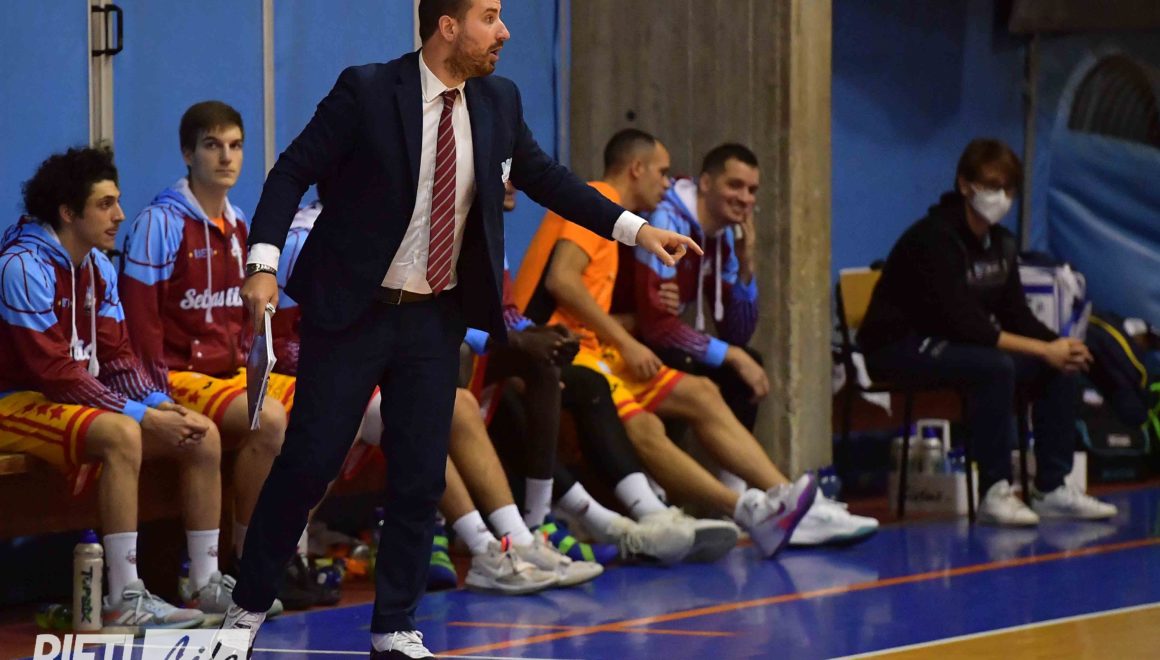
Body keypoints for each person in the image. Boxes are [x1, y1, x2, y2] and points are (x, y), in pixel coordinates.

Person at [224, 2, 700, 657]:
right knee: (307, 465)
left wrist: (638, 230)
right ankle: (246, 609)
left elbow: (550, 181)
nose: (504, 31)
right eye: (489, 16)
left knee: (420, 477)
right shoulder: (367, 90)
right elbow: (290, 172)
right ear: (448, 26)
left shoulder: (499, 101)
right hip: (354, 312)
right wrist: (262, 265)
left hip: (433, 316)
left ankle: (394, 626)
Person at [513, 129, 817, 560]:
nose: (668, 183)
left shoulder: (615, 219)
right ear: (636, 169)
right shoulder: (597, 198)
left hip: (594, 348)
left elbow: (587, 298)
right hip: (558, 350)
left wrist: (638, 318)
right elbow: (562, 280)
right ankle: (746, 510)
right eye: (662, 172)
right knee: (644, 425)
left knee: (702, 392)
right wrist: (627, 341)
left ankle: (786, 499)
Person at [0, 146, 213, 630]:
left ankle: (206, 582)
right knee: (122, 434)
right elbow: (57, 374)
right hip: (12, 401)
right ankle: (124, 595)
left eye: (117, 201)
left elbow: (117, 359)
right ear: (67, 212)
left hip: (63, 398)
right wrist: (142, 416)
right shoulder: (22, 266)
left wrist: (160, 404)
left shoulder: (97, 266)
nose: (119, 215)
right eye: (104, 204)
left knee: (201, 432)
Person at [858, 138, 1117, 527]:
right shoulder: (933, 238)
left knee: (1059, 366)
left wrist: (1058, 345)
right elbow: (964, 323)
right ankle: (995, 491)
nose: (1001, 197)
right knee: (995, 367)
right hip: (899, 346)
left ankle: (1052, 488)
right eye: (993, 186)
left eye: (1009, 189)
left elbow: (1015, 315)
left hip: (955, 343)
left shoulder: (1001, 245)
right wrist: (1042, 349)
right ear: (966, 185)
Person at [633, 143, 878, 546]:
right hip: (635, 345)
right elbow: (658, 328)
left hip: (659, 339)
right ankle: (756, 504)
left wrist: (746, 267)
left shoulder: (723, 237)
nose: (745, 199)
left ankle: (748, 497)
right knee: (708, 361)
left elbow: (738, 332)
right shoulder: (666, 221)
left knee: (747, 364)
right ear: (706, 183)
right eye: (735, 186)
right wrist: (730, 354)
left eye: (752, 190)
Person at [118, 101, 291, 614]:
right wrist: (154, 397)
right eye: (213, 146)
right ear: (187, 153)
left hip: (228, 370)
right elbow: (139, 321)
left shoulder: (239, 224)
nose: (226, 157)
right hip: (176, 374)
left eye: (235, 146)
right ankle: (240, 565)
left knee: (331, 406)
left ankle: (272, 555)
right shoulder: (159, 223)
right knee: (269, 419)